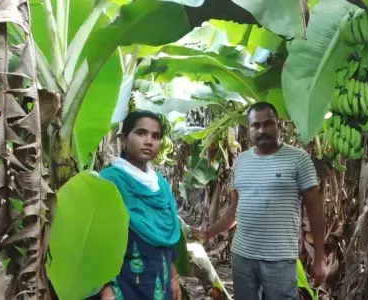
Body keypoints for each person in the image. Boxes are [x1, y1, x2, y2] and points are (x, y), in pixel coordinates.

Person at [191, 102, 327, 300]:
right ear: (248, 129)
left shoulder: (298, 159)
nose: (262, 130)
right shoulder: (241, 162)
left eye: (268, 124)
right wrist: (208, 232)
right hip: (242, 257)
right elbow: (234, 211)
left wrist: (319, 258)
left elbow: (315, 210)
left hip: (279, 259)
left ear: (278, 125)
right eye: (256, 125)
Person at [98, 110, 182, 300]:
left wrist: (173, 276)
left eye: (155, 136)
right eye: (141, 133)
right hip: (122, 282)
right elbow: (98, 240)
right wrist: (105, 289)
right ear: (124, 139)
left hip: (160, 278)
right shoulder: (109, 182)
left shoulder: (159, 184)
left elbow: (167, 242)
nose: (149, 141)